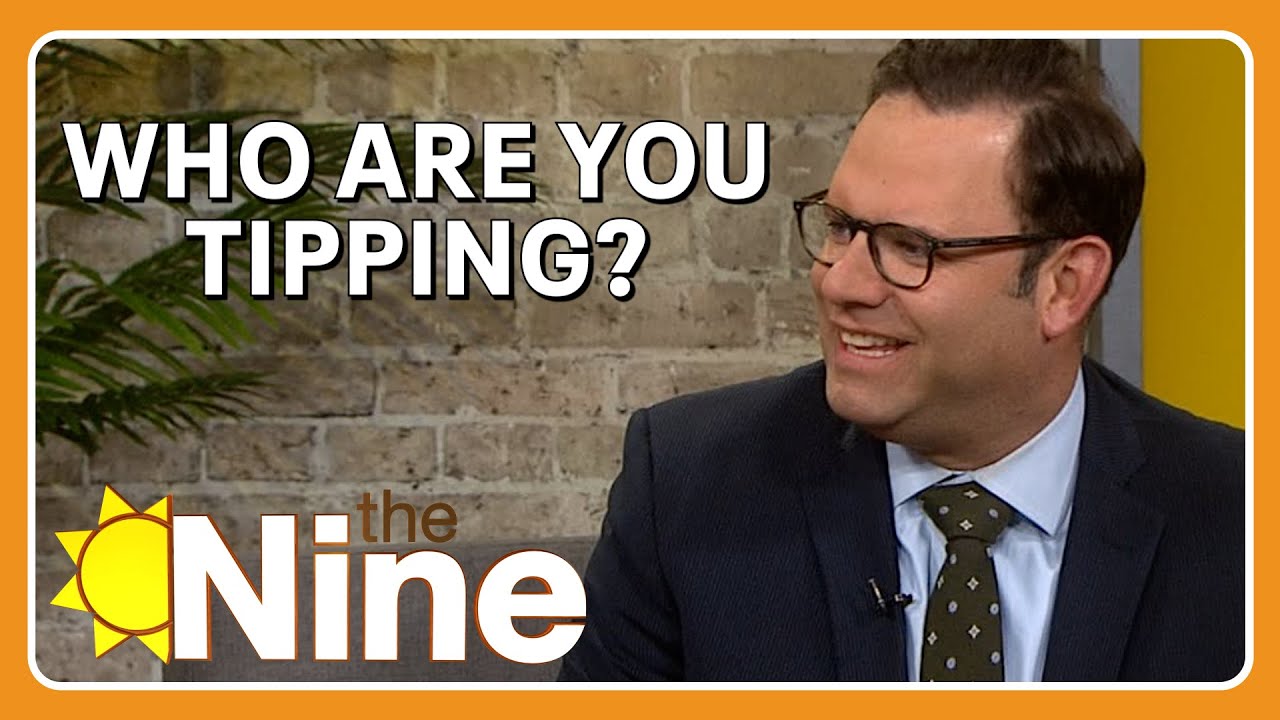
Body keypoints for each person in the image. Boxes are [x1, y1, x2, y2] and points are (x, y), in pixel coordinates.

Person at [558, 39, 1244, 682]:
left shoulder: (1242, 518)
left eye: (912, 247)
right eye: (840, 228)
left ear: (1064, 285)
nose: (842, 284)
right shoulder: (690, 487)